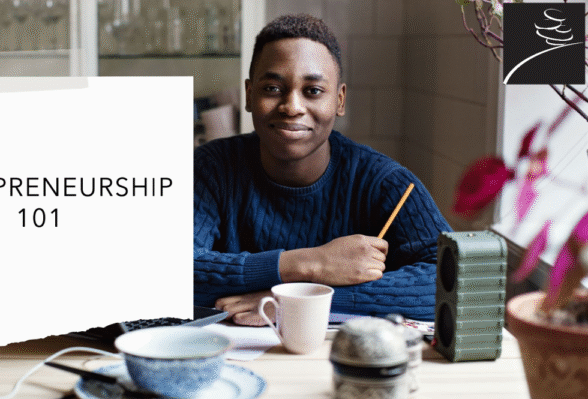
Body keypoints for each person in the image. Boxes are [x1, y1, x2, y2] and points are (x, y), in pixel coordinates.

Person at [193, 14, 452, 326]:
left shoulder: (386, 183)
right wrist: (309, 264)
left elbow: (451, 279)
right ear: (249, 95)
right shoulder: (209, 168)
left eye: (313, 90)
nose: (292, 106)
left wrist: (299, 301)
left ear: (339, 100)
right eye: (273, 88)